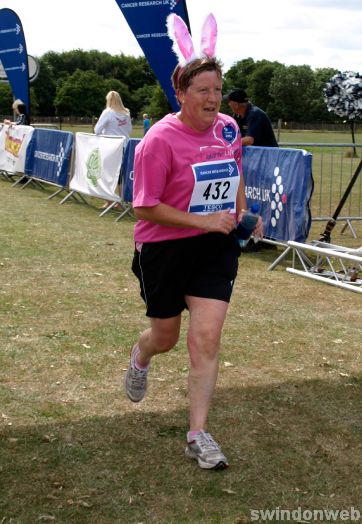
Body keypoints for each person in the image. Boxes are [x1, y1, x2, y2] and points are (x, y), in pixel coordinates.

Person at [124, 13, 263, 471]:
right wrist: (200, 221)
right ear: (180, 92)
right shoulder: (158, 140)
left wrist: (241, 214)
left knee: (206, 338)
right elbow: (143, 206)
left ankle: (198, 434)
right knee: (166, 337)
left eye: (217, 90)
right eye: (202, 90)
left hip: (213, 248)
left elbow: (234, 170)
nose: (212, 98)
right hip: (164, 247)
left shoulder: (227, 128)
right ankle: (141, 355)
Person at [94, 90, 132, 209]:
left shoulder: (108, 112)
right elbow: (129, 130)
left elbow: (97, 130)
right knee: (121, 175)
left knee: (107, 174)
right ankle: (119, 200)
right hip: (126, 146)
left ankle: (110, 200)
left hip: (112, 147)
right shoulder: (126, 113)